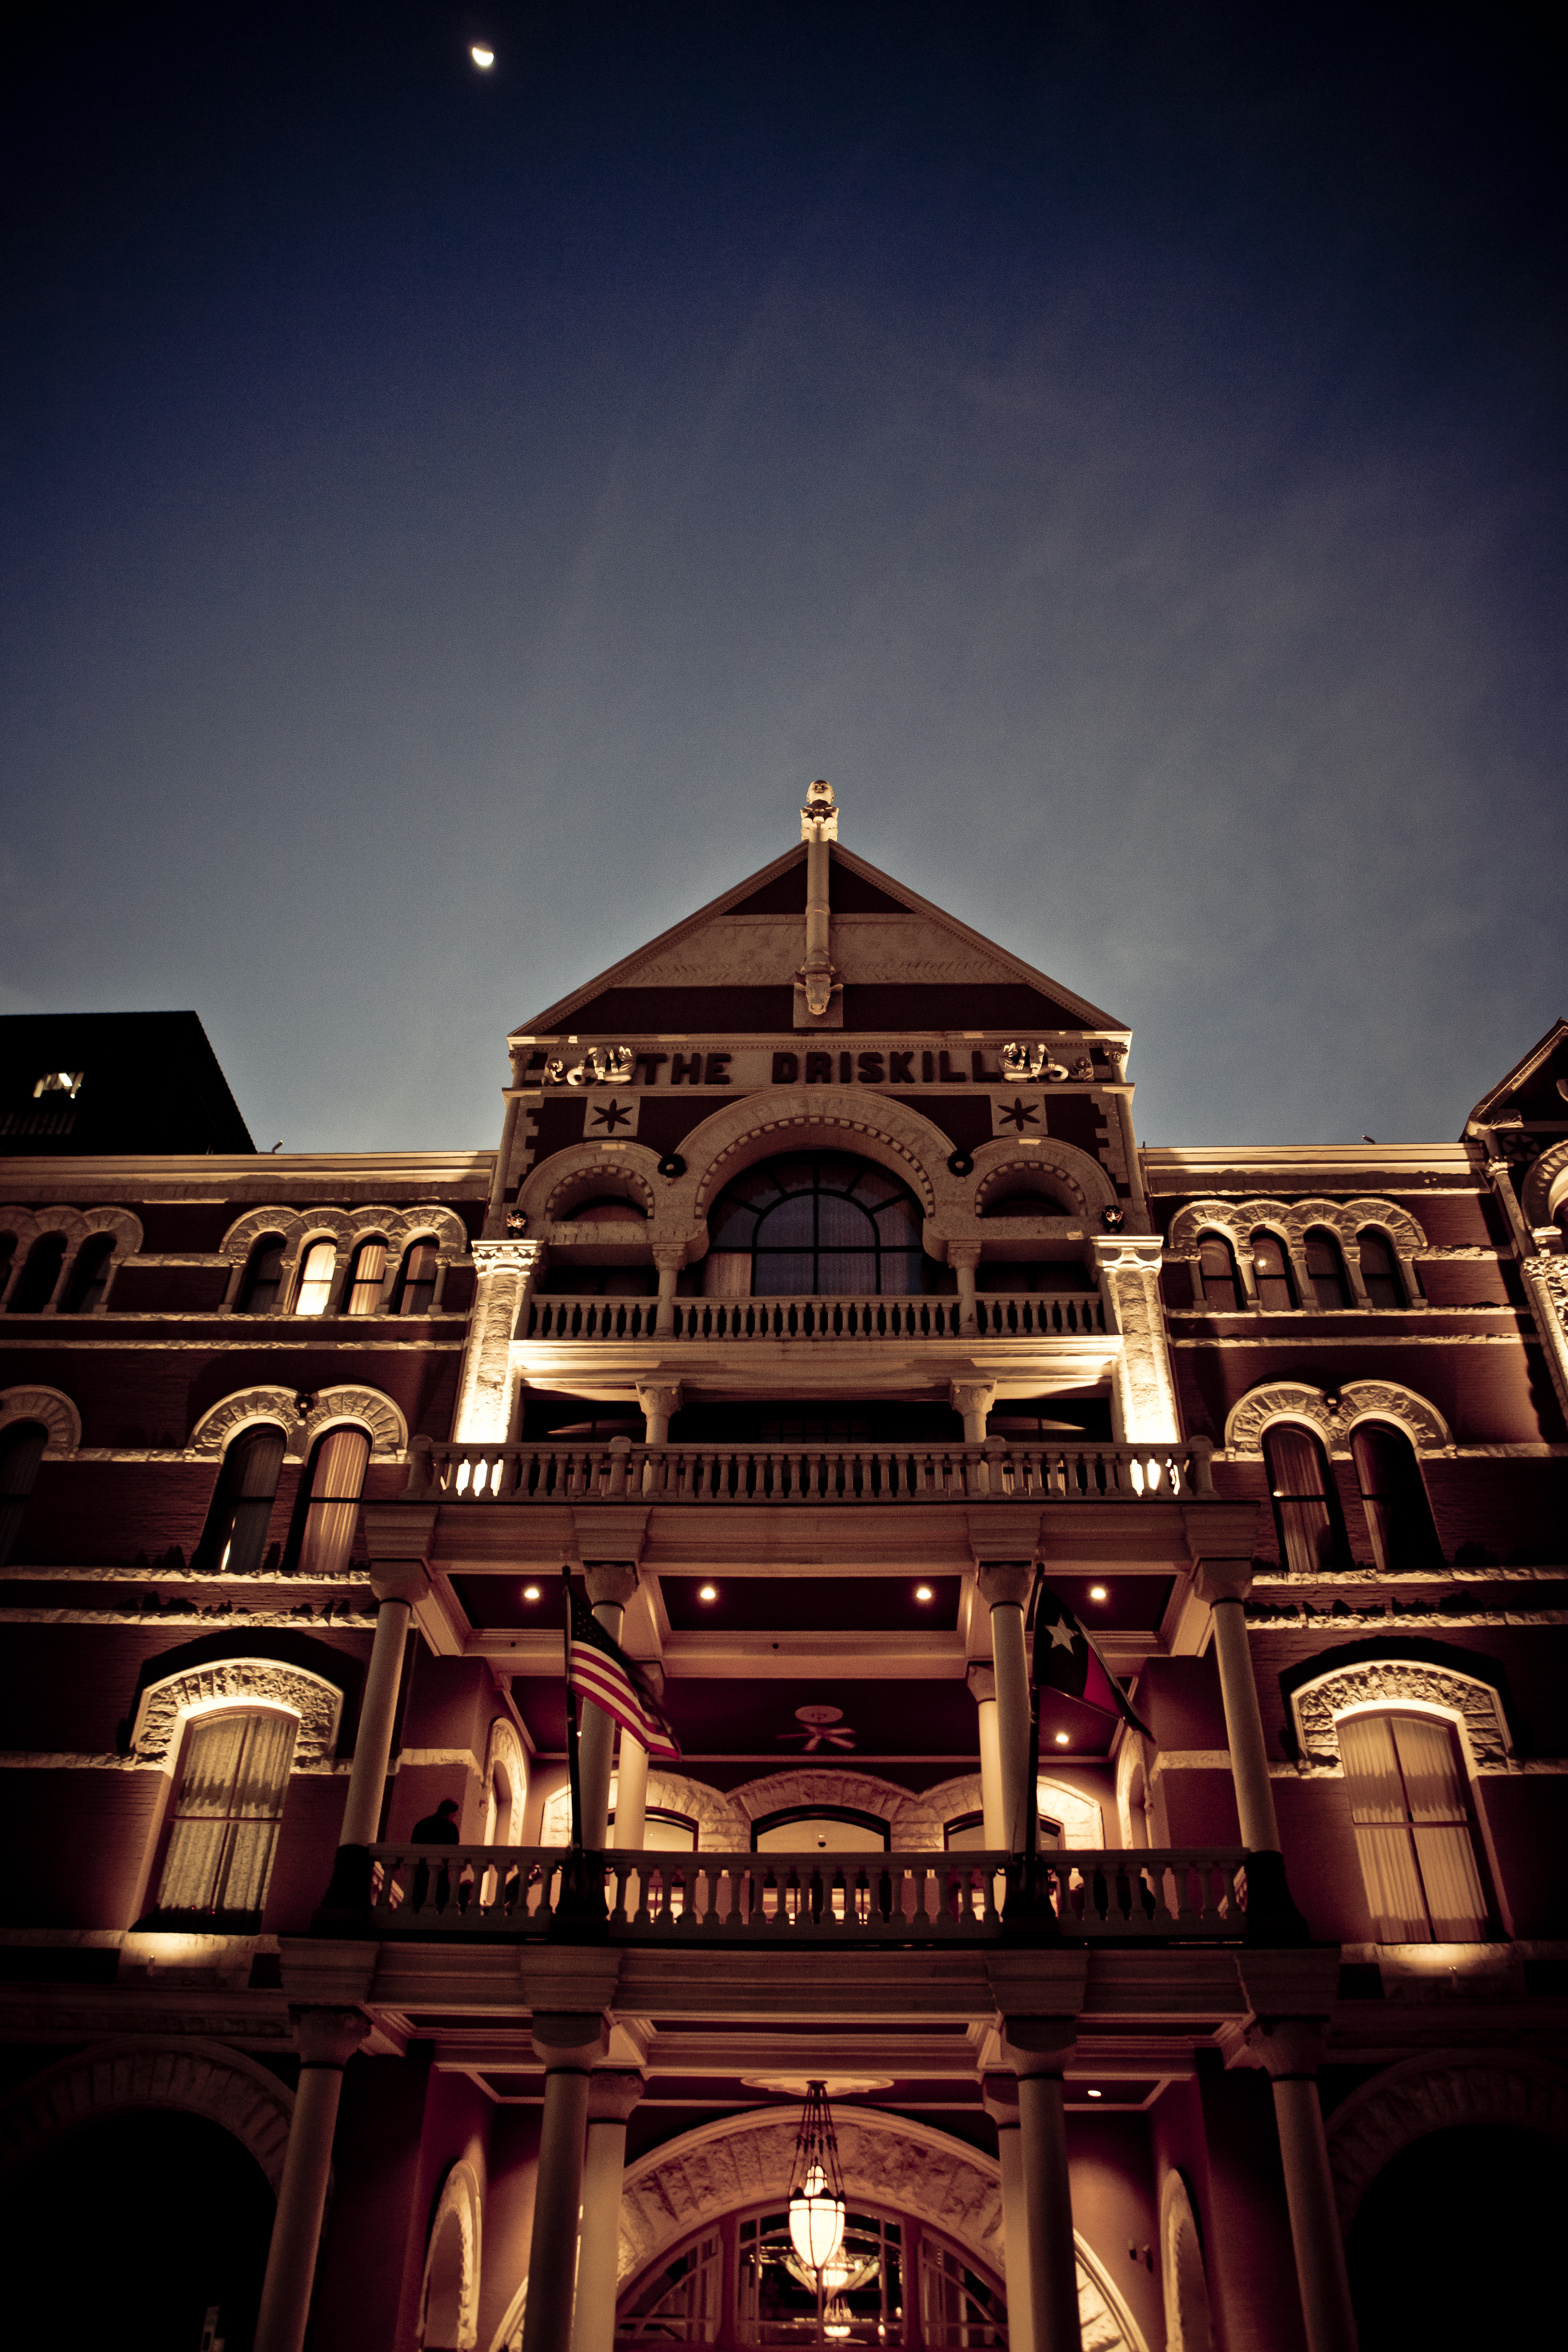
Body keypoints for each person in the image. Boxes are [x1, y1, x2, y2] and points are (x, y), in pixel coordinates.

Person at [410, 1795, 460, 1912]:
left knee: (418, 1902)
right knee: (439, 1903)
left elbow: (414, 1845)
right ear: (451, 1812)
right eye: (454, 1814)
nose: (454, 1817)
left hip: (421, 1870)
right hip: (440, 1872)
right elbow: (454, 1850)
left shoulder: (422, 1824)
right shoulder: (450, 1826)